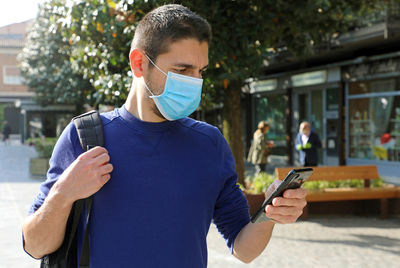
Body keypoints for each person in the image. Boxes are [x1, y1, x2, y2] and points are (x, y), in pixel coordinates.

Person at [22, 4, 306, 267]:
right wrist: (63, 194)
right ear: (139, 64)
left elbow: (243, 249)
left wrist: (270, 215)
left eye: (200, 71)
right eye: (182, 69)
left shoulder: (209, 144)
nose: (194, 82)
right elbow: (35, 246)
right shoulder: (83, 137)